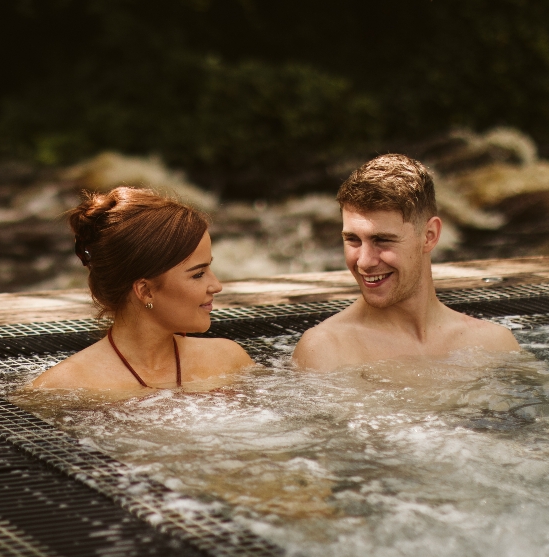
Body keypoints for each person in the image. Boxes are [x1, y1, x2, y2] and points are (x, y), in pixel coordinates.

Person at [292, 154, 520, 371]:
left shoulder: (494, 345)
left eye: (381, 240)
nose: (364, 261)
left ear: (429, 235)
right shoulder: (326, 350)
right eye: (352, 239)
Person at [29, 187, 252, 390]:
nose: (217, 286)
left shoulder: (229, 360)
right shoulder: (62, 387)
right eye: (198, 274)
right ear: (145, 291)